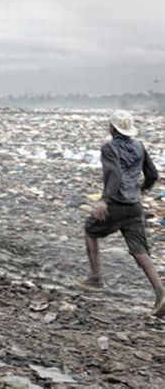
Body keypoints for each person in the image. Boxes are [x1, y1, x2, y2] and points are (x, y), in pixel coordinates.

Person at [76, 110, 163, 317]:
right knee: (140, 250)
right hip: (134, 205)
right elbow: (152, 174)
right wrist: (141, 189)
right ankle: (161, 293)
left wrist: (105, 200)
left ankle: (95, 277)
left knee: (90, 230)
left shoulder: (109, 147)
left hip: (116, 203)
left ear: (112, 127)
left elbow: (113, 174)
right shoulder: (139, 146)